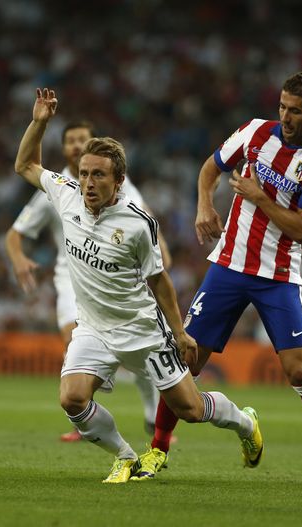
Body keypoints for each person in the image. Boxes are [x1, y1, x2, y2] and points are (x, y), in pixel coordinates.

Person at [14, 87, 262, 483]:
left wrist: (179, 332)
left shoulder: (136, 224)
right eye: (84, 173)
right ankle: (125, 456)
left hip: (142, 329)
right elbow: (25, 164)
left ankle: (245, 423)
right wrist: (39, 122)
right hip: (93, 328)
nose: (88, 182)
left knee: (190, 409)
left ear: (118, 180)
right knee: (72, 398)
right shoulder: (66, 195)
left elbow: (159, 281)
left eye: (98, 175)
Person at [139, 71, 302, 487]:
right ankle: (158, 448)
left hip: (277, 276)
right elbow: (210, 167)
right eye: (282, 107)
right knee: (187, 359)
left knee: (299, 372)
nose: (285, 117)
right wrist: (204, 205)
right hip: (228, 267)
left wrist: (259, 197)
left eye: (295, 111)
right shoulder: (255, 131)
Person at [6, 120, 169, 442]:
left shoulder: (116, 184)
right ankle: (84, 417)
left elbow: (144, 216)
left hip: (112, 281)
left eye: (82, 139)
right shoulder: (58, 189)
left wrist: (160, 251)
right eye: (70, 141)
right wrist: (18, 258)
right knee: (75, 344)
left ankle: (152, 415)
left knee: (139, 353)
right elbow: (15, 231)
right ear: (64, 148)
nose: (76, 145)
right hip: (70, 279)